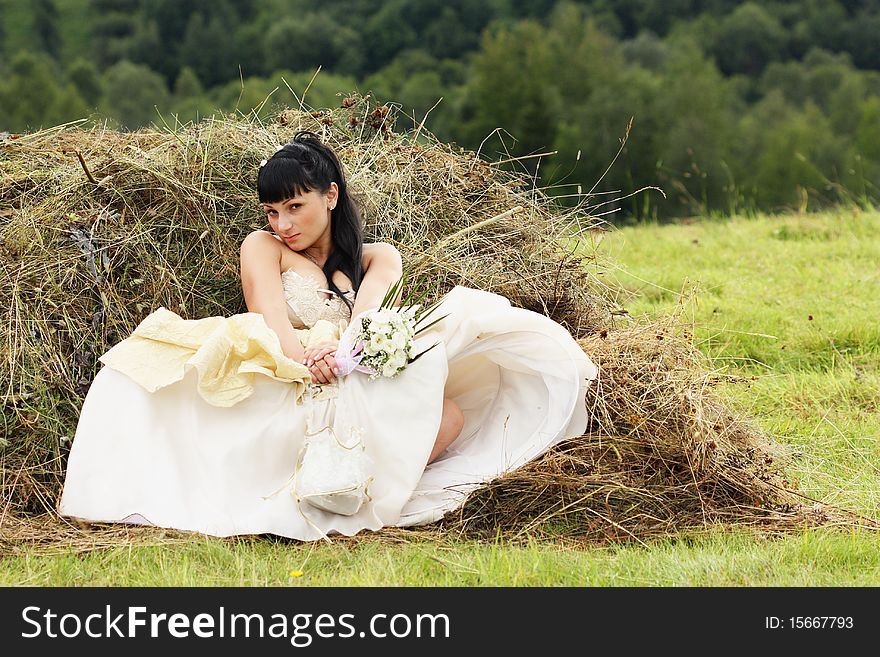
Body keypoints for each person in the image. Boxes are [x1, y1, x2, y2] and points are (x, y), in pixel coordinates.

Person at [59, 131, 599, 541]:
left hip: (348, 364)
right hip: (279, 360)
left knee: (451, 412)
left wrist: (341, 356)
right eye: (273, 210)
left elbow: (367, 317)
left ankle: (371, 489)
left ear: (331, 196)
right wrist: (305, 358)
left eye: (295, 206)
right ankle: (313, 491)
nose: (283, 223)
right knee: (142, 382)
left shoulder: (376, 258)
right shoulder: (262, 247)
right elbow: (267, 313)